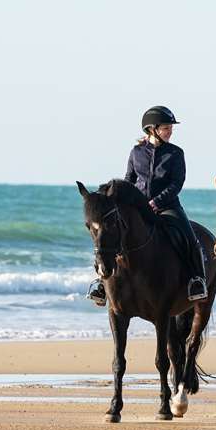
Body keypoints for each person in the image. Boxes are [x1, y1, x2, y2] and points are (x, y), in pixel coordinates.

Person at [87, 105, 207, 305]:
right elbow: (129, 180)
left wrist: (156, 201)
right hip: (138, 207)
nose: (170, 132)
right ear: (153, 129)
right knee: (110, 234)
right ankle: (101, 283)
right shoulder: (136, 152)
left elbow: (176, 183)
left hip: (168, 206)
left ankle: (197, 280)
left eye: (170, 128)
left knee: (189, 237)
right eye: (166, 128)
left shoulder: (176, 153)